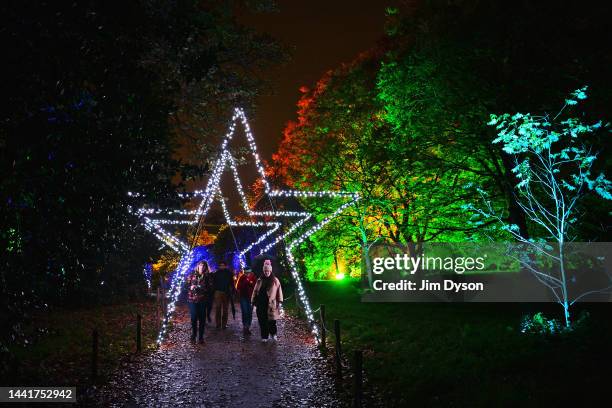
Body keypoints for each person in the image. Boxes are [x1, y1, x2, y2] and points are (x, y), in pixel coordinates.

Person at [251, 259, 283, 342]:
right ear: (263, 271)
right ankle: (264, 336)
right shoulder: (259, 280)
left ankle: (273, 334)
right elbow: (255, 291)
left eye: (268, 271)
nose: (266, 272)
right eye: (265, 271)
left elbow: (279, 291)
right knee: (262, 320)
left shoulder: (275, 280)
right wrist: (253, 301)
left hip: (271, 304)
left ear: (270, 271)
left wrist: (279, 301)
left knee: (272, 321)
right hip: (261, 303)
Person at [186, 261, 212, 343]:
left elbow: (211, 288)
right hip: (192, 299)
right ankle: (193, 335)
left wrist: (201, 288)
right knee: (193, 318)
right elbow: (185, 285)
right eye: (200, 265)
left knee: (202, 319)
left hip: (203, 300)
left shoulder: (208, 276)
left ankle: (201, 337)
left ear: (206, 267)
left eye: (203, 265)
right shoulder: (192, 274)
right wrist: (190, 287)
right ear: (198, 266)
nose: (202, 267)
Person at [213, 260, 234, 329]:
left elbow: (232, 283)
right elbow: (214, 282)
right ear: (219, 266)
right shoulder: (216, 273)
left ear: (225, 266)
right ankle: (218, 324)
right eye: (220, 265)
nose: (222, 266)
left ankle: (224, 324)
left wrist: (232, 291)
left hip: (226, 292)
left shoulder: (229, 273)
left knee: (225, 309)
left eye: (223, 265)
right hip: (218, 292)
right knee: (218, 308)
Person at [236, 267, 257, 335]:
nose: (247, 274)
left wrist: (250, 283)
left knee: (249, 312)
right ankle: (245, 326)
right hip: (243, 297)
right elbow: (238, 287)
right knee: (245, 311)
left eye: (248, 273)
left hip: (251, 298)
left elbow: (255, 286)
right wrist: (245, 282)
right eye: (246, 273)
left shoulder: (254, 277)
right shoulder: (242, 277)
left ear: (250, 272)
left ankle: (248, 326)